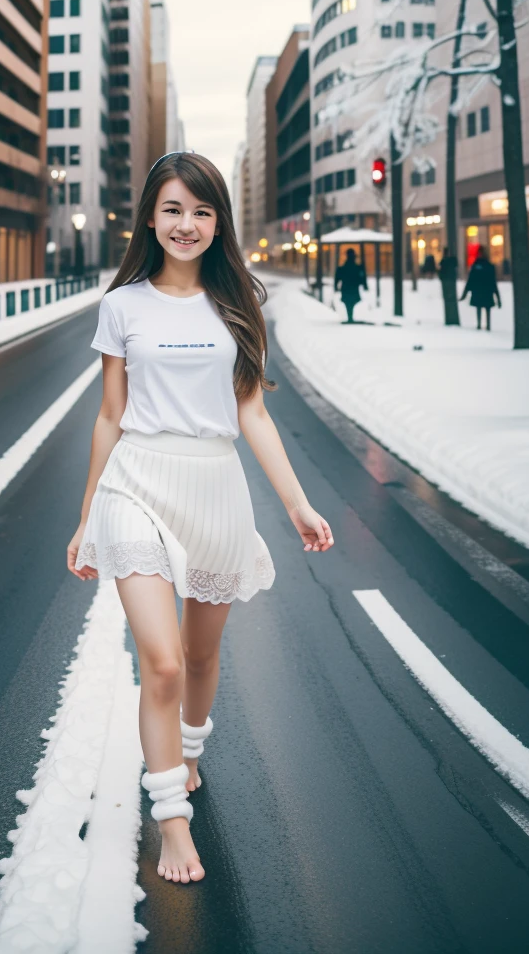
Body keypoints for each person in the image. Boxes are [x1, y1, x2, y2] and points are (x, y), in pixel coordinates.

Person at [66, 151, 333, 886]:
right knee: (162, 661)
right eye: (174, 209)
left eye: (202, 211)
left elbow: (252, 410)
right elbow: (110, 415)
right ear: (151, 218)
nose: (187, 224)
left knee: (203, 656)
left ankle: (186, 752)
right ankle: (170, 823)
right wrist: (89, 513)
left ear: (219, 222)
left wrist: (297, 502)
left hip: (215, 485)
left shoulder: (237, 301)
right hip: (137, 480)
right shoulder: (122, 306)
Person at [460, 244, 501, 330]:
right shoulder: (484, 266)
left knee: (484, 308)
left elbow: (471, 280)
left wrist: (465, 293)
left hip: (482, 290)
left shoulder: (479, 266)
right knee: (483, 307)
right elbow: (471, 280)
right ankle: (482, 324)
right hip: (483, 290)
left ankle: (486, 325)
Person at [334, 247, 367, 323]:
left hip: (348, 287)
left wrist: (336, 287)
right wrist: (364, 285)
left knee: (349, 303)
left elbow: (337, 278)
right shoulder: (356, 267)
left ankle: (350, 317)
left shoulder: (344, 267)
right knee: (350, 303)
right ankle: (350, 317)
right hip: (352, 287)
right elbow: (361, 278)